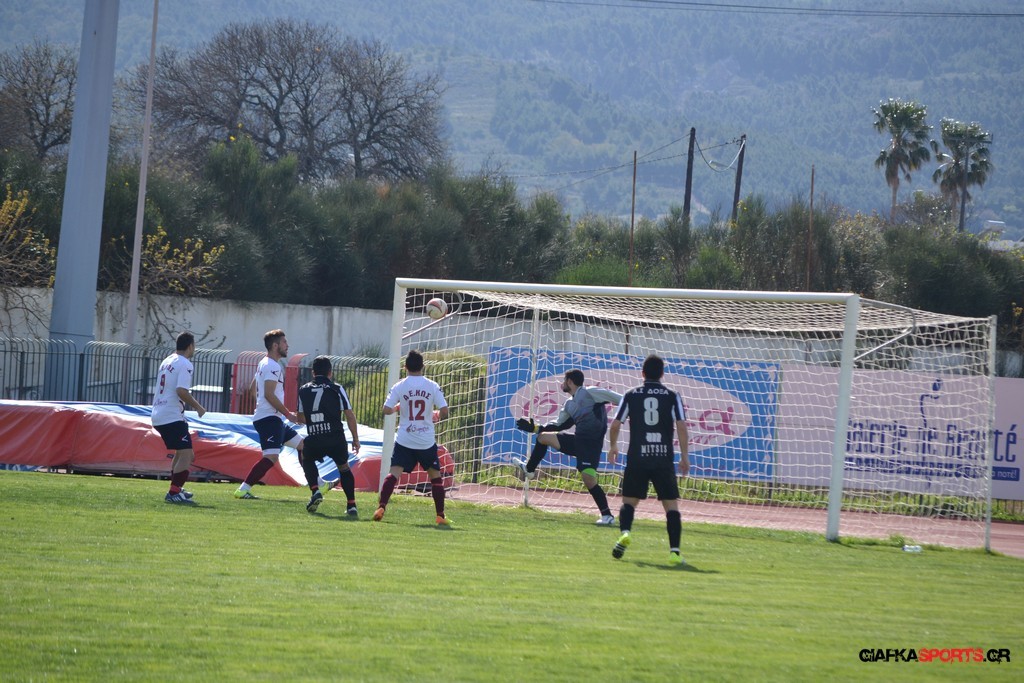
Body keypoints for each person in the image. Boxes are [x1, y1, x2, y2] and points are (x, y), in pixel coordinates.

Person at [607, 354, 690, 566]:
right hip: (663, 458)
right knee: (671, 506)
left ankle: (625, 533)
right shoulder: (672, 396)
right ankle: (674, 552)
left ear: (642, 373)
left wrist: (613, 446)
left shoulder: (631, 395)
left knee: (629, 502)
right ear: (662, 374)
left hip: (638, 457)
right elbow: (681, 426)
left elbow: (615, 425)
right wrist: (684, 456)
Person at [515, 369, 621, 525]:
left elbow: (621, 399)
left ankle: (607, 516)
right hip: (578, 442)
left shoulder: (590, 393)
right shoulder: (569, 404)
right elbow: (558, 425)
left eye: (564, 381)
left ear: (570, 382)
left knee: (589, 480)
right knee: (543, 437)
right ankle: (529, 470)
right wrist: (534, 428)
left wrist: (629, 413)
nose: (562, 384)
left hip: (591, 446)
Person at [374, 350, 450, 526]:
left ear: (405, 367)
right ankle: (440, 515)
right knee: (435, 476)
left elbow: (386, 409)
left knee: (394, 474)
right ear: (423, 366)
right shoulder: (432, 385)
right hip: (425, 441)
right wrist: (437, 415)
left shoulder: (399, 386)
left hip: (405, 439)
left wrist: (397, 408)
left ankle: (381, 507)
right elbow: (445, 411)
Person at [234, 329, 304, 499]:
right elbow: (268, 394)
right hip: (269, 419)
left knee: (304, 446)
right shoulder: (272, 365)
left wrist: (263, 407)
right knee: (271, 457)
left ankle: (318, 485)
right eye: (284, 342)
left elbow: (253, 389)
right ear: (275, 346)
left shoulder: (264, 363)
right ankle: (243, 489)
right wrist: (287, 414)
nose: (287, 345)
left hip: (271, 417)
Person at [295, 355, 361, 515]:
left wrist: (315, 419)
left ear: (313, 373)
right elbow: (349, 415)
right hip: (335, 437)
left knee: (306, 457)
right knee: (344, 468)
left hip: (315, 437)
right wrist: (355, 439)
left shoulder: (303, 390)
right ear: (330, 372)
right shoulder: (337, 388)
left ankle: (315, 490)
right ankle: (351, 505)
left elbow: (300, 417)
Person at [151, 331, 207, 504]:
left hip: (158, 413)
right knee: (187, 455)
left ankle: (176, 488)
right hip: (171, 415)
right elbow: (181, 391)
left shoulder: (167, 361)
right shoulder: (185, 363)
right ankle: (174, 493)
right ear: (190, 346)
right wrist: (198, 407)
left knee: (181, 453)